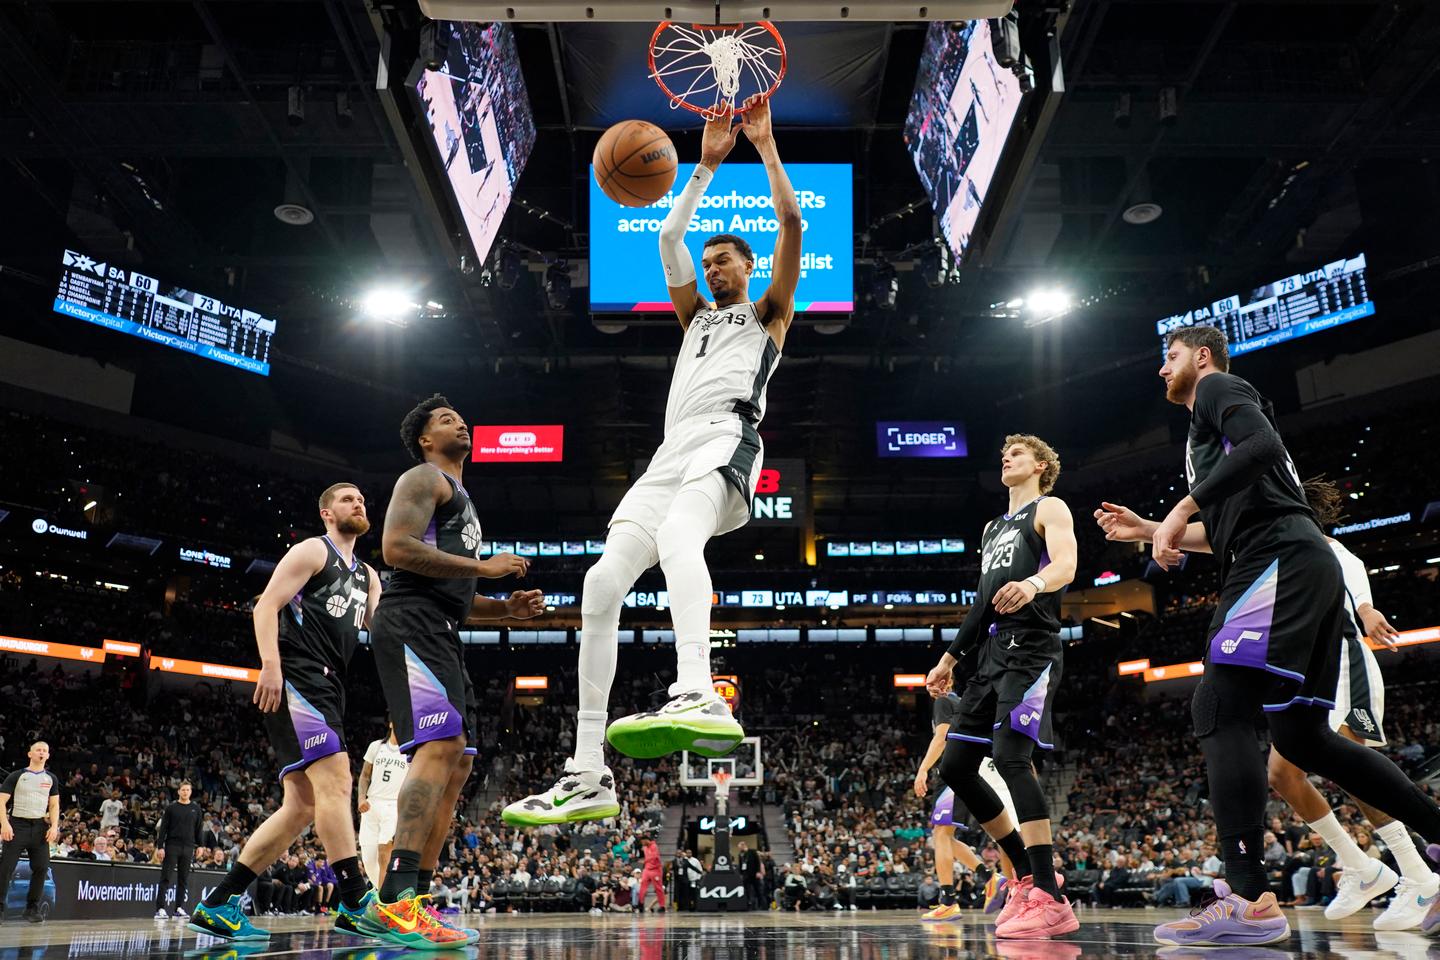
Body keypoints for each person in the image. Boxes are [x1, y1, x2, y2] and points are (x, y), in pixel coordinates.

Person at [504, 95, 803, 825]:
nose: (713, 266)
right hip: (669, 454)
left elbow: (793, 224)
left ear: (750, 266)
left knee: (677, 537)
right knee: (600, 581)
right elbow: (669, 235)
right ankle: (587, 771)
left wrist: (764, 147)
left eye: (725, 259)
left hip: (727, 436)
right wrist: (704, 166)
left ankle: (698, 687)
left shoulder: (768, 313)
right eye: (710, 261)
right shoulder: (694, 318)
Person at [1095, 326, 1440, 947]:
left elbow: (1263, 443)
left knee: (1218, 706)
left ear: (1202, 356)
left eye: (1170, 357)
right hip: (1291, 558)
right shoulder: (1209, 435)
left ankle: (1249, 896)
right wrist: (1152, 528)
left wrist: (1179, 509)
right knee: (1306, 739)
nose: (1161, 369)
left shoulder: (1217, 388)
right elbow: (1229, 528)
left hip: (1276, 560)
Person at [363, 394, 546, 948]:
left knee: (460, 761)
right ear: (425, 440)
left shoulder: (463, 500)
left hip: (440, 624)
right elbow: (395, 550)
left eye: (462, 419)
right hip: (410, 620)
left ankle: (414, 897)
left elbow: (456, 597)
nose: (460, 423)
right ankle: (394, 899)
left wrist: (505, 610)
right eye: (446, 420)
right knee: (440, 747)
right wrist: (484, 568)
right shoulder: (424, 478)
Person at [188, 483, 382, 943]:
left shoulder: (368, 576)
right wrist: (270, 666)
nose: (358, 503)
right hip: (299, 674)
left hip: (330, 683)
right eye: (347, 499)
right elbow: (266, 606)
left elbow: (386, 633)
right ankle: (355, 898)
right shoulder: (314, 550)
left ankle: (219, 903)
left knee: (301, 807)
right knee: (337, 781)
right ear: (327, 513)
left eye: (361, 499)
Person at [1261, 478, 1438, 929]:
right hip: (1304, 668)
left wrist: (1366, 609)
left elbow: (1356, 580)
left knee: (1350, 767)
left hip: (1343, 659)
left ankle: (1419, 875)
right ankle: (1360, 867)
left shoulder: (1328, 547)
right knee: (1281, 774)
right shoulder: (1271, 549)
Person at [924, 435, 1080, 940]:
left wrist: (1034, 584)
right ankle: (1027, 875)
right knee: (955, 766)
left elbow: (1066, 565)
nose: (1006, 457)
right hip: (991, 652)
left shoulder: (1049, 507)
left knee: (1012, 758)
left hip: (1032, 646)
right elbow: (982, 601)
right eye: (1004, 454)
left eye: (1017, 453)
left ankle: (1051, 898)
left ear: (1040, 465)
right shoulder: (992, 528)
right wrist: (949, 658)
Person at [915, 675, 1018, 922]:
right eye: (929, 682)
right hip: (971, 769)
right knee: (943, 836)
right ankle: (988, 878)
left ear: (946, 683)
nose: (931, 686)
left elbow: (941, 737)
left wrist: (923, 768)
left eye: (935, 681)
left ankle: (949, 902)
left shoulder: (943, 702)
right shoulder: (962, 703)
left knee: (941, 835)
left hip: (954, 771)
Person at [0, 741, 60, 924]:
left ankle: (31, 908)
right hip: (17, 825)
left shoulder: (51, 778)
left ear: (48, 755)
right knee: (6, 867)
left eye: (45, 751)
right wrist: (5, 824)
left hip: (40, 827)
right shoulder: (17, 775)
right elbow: (1, 801)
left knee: (42, 868)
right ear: (30, 754)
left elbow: (54, 805)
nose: (41, 753)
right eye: (38, 750)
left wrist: (54, 826)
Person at [358, 723, 408, 889]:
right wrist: (361, 798)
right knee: (368, 860)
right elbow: (365, 775)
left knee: (384, 852)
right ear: (391, 723)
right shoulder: (376, 746)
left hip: (393, 805)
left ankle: (384, 899)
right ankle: (383, 891)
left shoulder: (411, 751)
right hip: (371, 803)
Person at [154, 781, 203, 918]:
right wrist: (160, 847)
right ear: (179, 791)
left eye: (188, 790)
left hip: (188, 847)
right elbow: (163, 829)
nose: (185, 792)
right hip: (172, 846)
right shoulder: (171, 808)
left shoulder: (196, 809)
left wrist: (200, 845)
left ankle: (179, 908)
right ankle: (160, 909)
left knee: (183, 879)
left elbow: (198, 829)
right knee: (166, 877)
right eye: (183, 790)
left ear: (191, 792)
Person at [635, 838, 667, 913]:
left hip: (656, 870)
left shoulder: (654, 846)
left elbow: (654, 856)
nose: (642, 844)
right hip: (647, 869)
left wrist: (644, 860)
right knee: (642, 886)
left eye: (643, 842)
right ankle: (640, 904)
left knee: (658, 888)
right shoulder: (645, 847)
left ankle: (662, 906)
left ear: (646, 840)